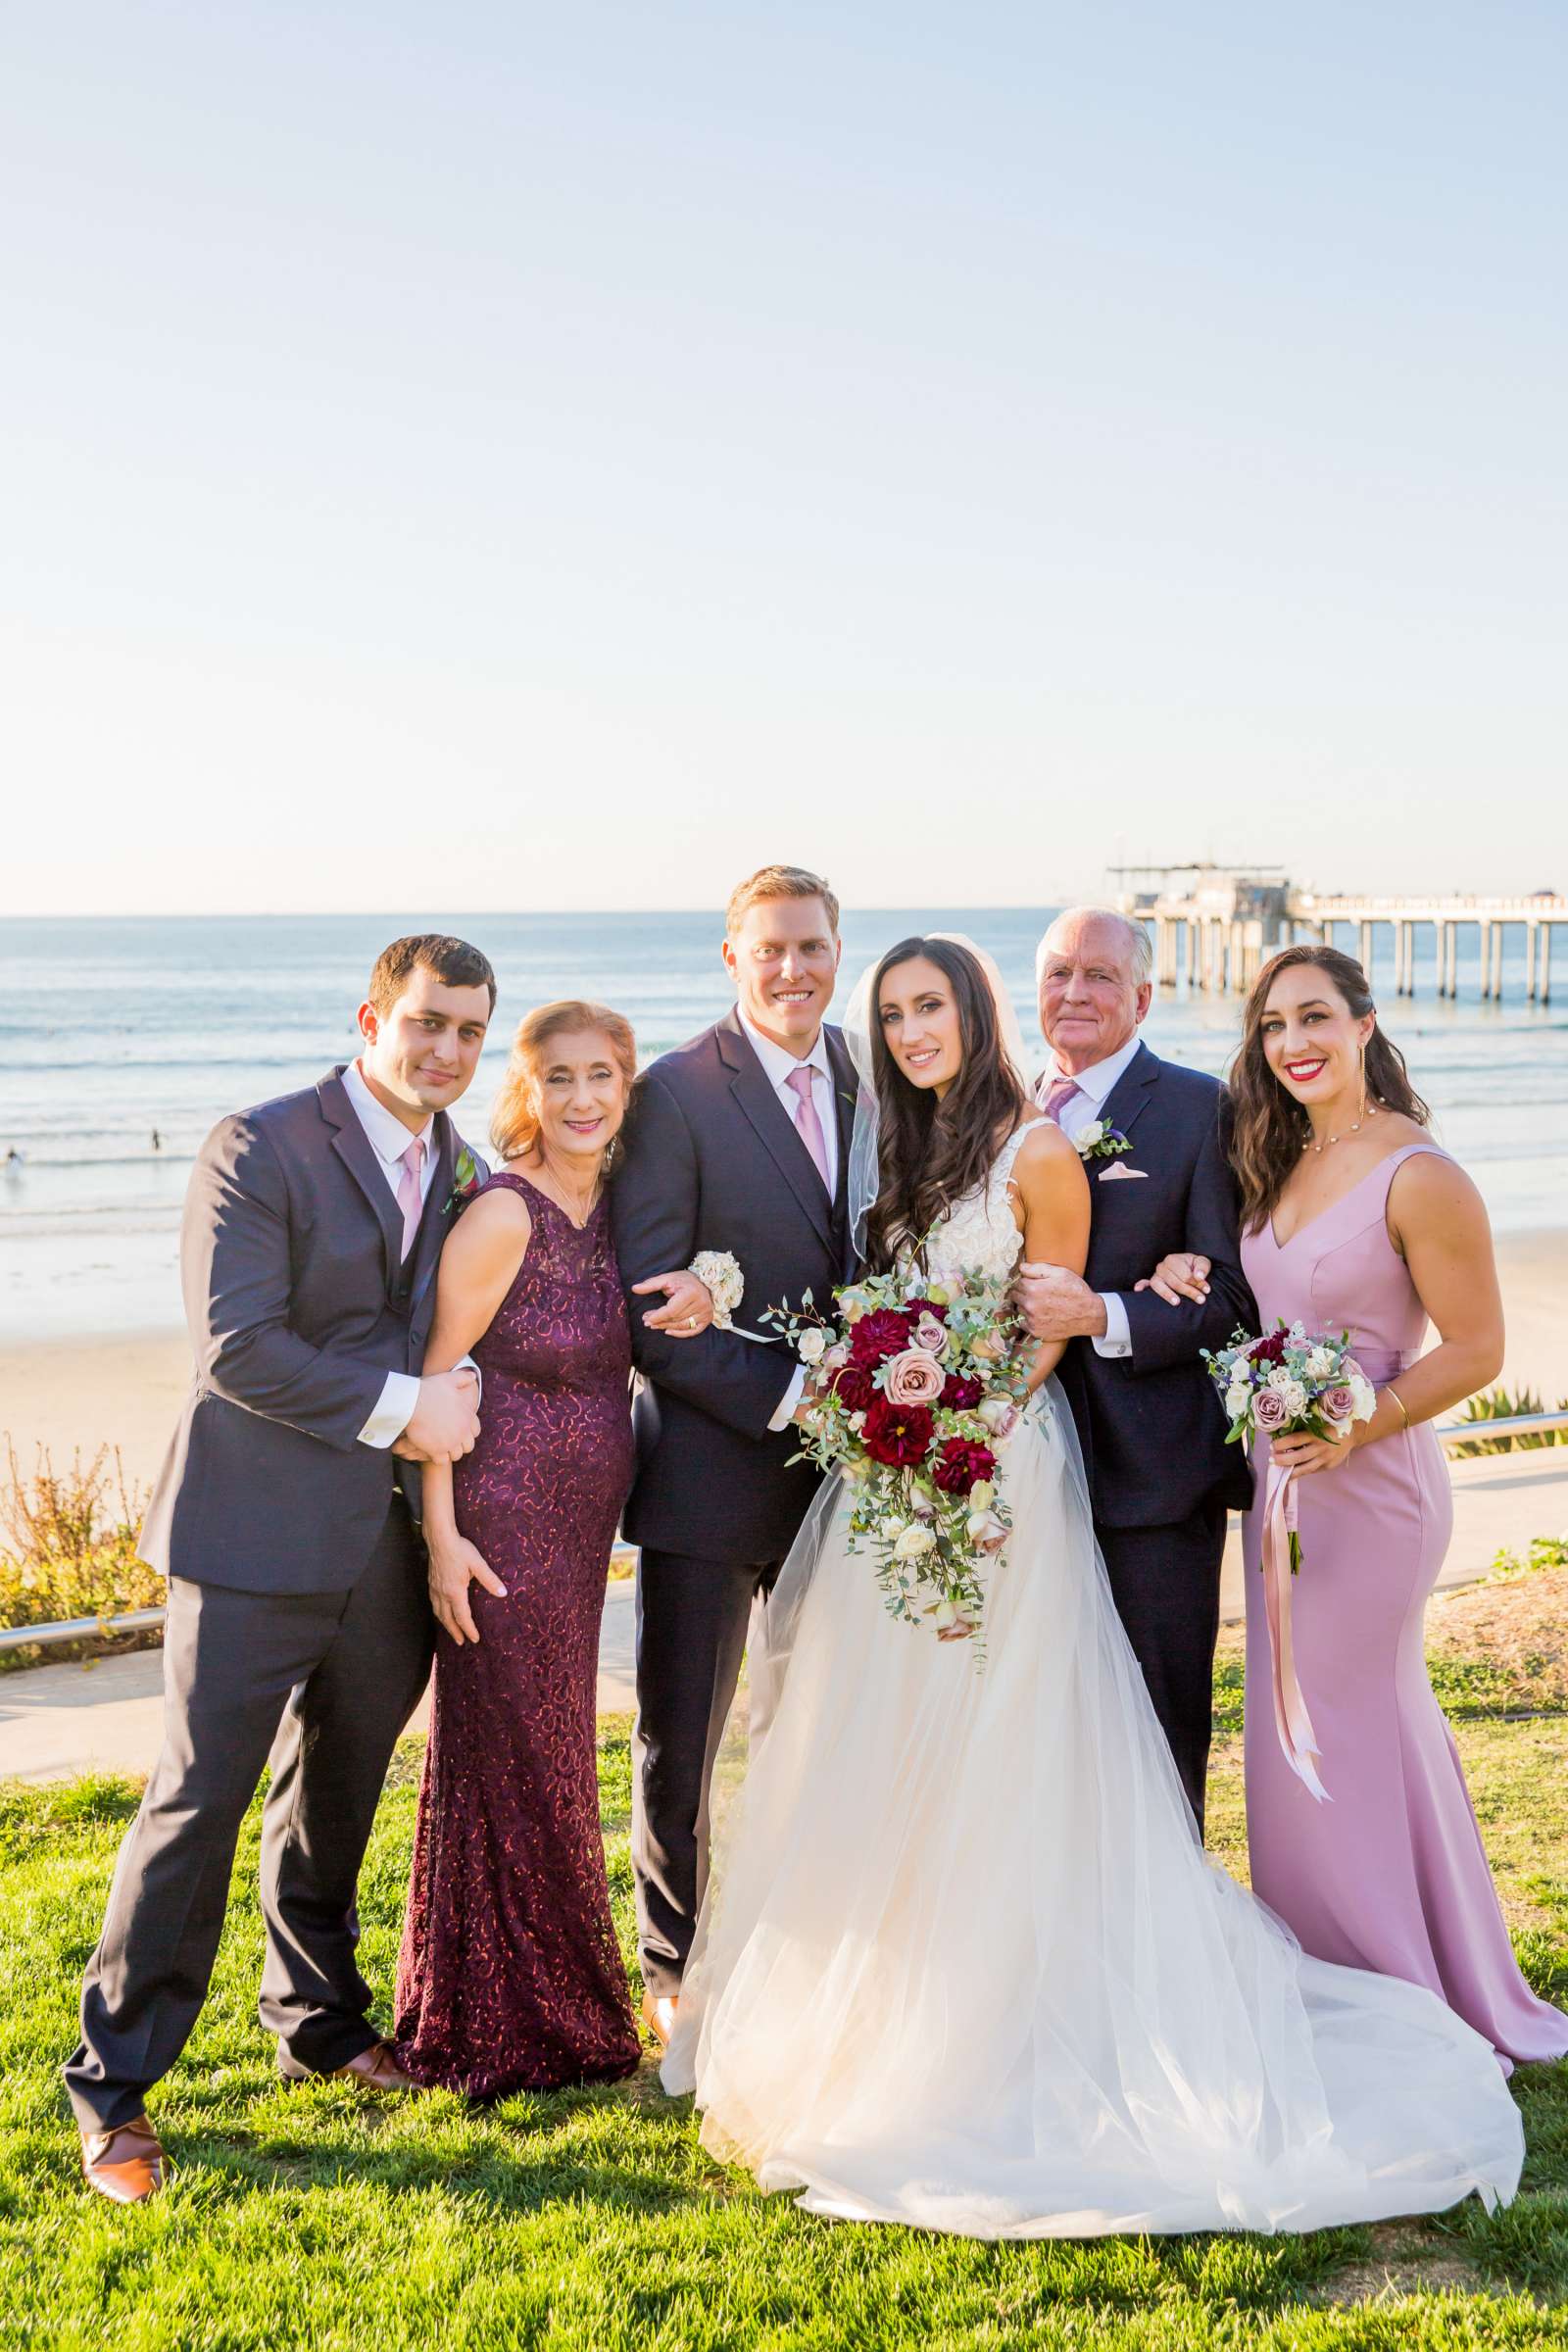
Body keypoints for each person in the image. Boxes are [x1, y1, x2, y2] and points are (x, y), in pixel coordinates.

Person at [660, 931, 1523, 2239]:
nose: (909, 1030)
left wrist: (1090, 1335)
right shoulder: (912, 1146)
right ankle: (926, 1992)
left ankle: (1113, 1986)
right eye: (891, 1012)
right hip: (935, 1478)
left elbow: (1216, 1285)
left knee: (1098, 1754)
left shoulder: (1172, 1116)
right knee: (916, 1750)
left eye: (931, 1005)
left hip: (1072, 1478)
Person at [66, 935, 496, 2204]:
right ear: (372, 1017)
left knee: (337, 1793)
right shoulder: (255, 1145)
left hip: (382, 1543)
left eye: (470, 1032)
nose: (447, 1051)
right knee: (197, 1805)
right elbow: (236, 1349)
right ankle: (115, 2090)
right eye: (427, 1023)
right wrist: (407, 1410)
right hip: (251, 1536)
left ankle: (315, 2016)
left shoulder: (461, 1163)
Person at [1143, 944, 1568, 2068]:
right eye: (1274, 1023)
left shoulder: (1418, 1173)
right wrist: (1188, 1277)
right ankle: (1330, 1966)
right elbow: (1253, 1296)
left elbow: (1479, 1348)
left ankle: (1398, 1983)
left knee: (1351, 1719)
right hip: (1280, 1489)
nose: (1294, 1042)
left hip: (1371, 1488)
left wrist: (1356, 1421)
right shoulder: (1277, 1157)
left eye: (1317, 1016)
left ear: (1366, 1024)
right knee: (1292, 1732)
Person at [392, 1002, 716, 2095]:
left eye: (603, 1078)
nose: (583, 1099)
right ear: (527, 1089)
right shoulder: (504, 1213)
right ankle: (500, 2020)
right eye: (560, 1078)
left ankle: (555, 2001)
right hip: (498, 1517)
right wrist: (441, 1543)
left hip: (582, 1530)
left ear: (627, 1088)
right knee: (510, 1753)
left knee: (553, 1746)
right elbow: (432, 1387)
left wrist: (716, 1285)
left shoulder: (619, 1206)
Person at [610, 865, 858, 2047]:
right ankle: (675, 1960)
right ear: (731, 958)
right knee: (684, 1738)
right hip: (710, 1473)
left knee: (823, 1727)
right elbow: (650, 1309)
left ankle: (814, 1942)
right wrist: (805, 1395)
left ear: (836, 949)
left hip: (855, 1482)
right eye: (770, 950)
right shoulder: (673, 1093)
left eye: (811, 947)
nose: (793, 970)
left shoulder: (873, 1073)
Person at [1012, 906, 1253, 1827]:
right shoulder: (998, 1109)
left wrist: (1107, 1312)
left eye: (1101, 977)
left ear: (1145, 997)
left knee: (1157, 1734)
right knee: (1037, 1732)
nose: (1076, 993)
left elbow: (1232, 1294)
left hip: (1152, 1477)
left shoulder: (1201, 1110)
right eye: (1059, 974)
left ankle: (1164, 1952)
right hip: (1022, 1475)